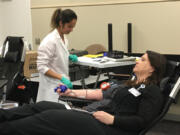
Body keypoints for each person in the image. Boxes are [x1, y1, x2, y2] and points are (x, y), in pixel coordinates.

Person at [0, 50, 167, 135]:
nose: (138, 60)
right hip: (94, 116)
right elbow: (99, 94)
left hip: (111, 129)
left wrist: (113, 119)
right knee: (42, 106)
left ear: (153, 68)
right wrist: (70, 92)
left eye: (143, 59)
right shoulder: (128, 84)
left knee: (49, 117)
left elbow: (142, 122)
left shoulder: (152, 91)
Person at [36, 8, 78, 102]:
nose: (71, 30)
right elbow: (41, 67)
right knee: (51, 113)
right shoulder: (49, 41)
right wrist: (61, 77)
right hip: (51, 87)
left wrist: (68, 56)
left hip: (60, 85)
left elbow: (56, 56)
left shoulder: (64, 38)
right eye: (69, 26)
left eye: (73, 27)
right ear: (61, 23)